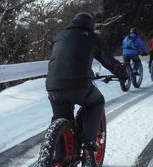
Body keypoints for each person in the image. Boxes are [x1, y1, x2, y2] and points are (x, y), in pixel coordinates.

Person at [45, 13, 127, 151]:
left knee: (60, 118)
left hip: (53, 86)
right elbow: (109, 61)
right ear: (91, 26)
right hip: (79, 86)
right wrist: (123, 74)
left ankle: (58, 157)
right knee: (97, 101)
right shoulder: (92, 38)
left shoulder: (59, 35)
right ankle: (89, 140)